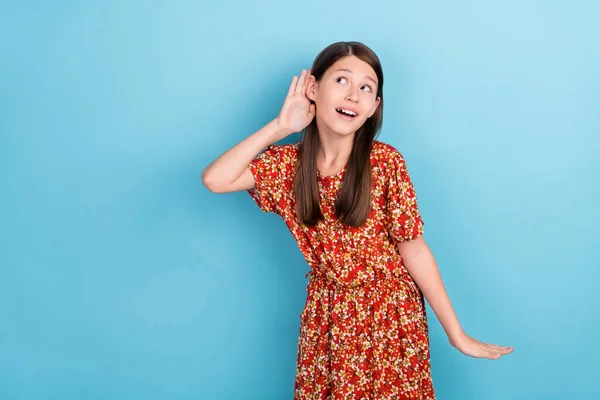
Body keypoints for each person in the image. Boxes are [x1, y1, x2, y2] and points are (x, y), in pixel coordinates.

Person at [202, 41, 513, 400]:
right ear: (313, 89)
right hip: (327, 315)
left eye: (366, 88)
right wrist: (280, 126)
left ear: (374, 107)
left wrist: (456, 334)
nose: (353, 95)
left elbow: (414, 250)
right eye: (342, 81)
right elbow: (215, 179)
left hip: (391, 316)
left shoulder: (385, 163)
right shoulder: (287, 165)